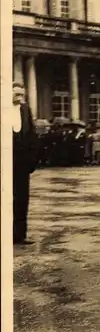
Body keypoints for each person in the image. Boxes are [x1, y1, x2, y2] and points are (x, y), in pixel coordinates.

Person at [12, 81, 37, 245]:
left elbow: (32, 135)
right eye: (16, 94)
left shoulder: (26, 109)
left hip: (22, 162)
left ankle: (20, 235)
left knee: (22, 199)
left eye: (22, 94)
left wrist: (32, 161)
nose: (20, 97)